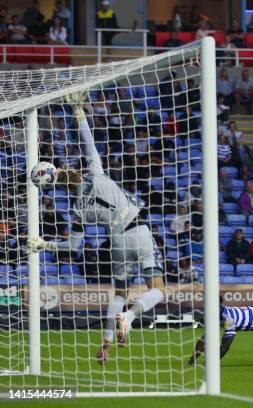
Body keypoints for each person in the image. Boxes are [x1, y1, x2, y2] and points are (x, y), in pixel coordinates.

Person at [27, 94, 165, 365]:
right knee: (158, 289)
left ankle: (107, 342)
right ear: (70, 173)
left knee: (119, 293)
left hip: (116, 243)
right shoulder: (97, 173)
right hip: (137, 229)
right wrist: (78, 111)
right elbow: (89, 141)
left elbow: (73, 247)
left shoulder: (78, 210)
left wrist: (44, 244)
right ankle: (131, 316)